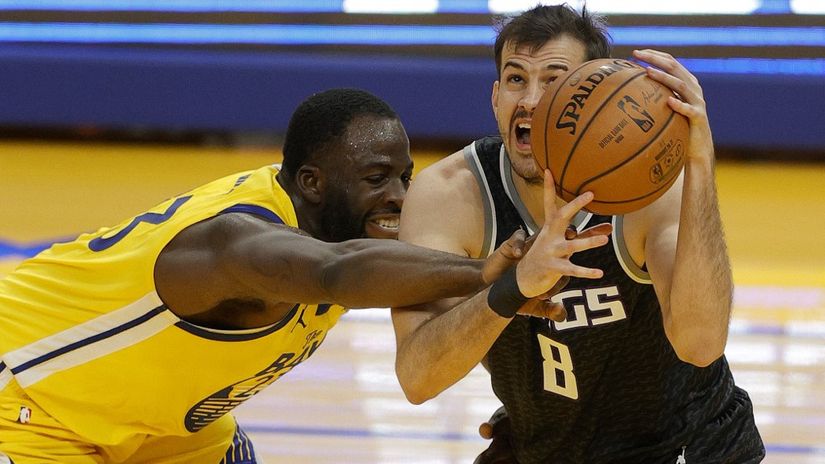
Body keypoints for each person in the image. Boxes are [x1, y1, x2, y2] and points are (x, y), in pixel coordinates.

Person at [0, 88, 607, 464]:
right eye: (377, 180)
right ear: (311, 183)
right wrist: (485, 271)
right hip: (31, 396)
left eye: (404, 176)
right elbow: (339, 275)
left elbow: (436, 317)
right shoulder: (237, 242)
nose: (399, 198)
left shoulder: (339, 222)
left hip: (161, 424)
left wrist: (527, 417)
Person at [390, 5, 765, 463]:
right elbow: (416, 379)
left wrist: (701, 166)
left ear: (593, 94)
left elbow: (701, 344)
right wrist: (514, 288)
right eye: (515, 79)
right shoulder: (450, 196)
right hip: (545, 448)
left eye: (553, 79)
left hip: (686, 446)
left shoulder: (651, 192)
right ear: (494, 98)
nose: (530, 99)